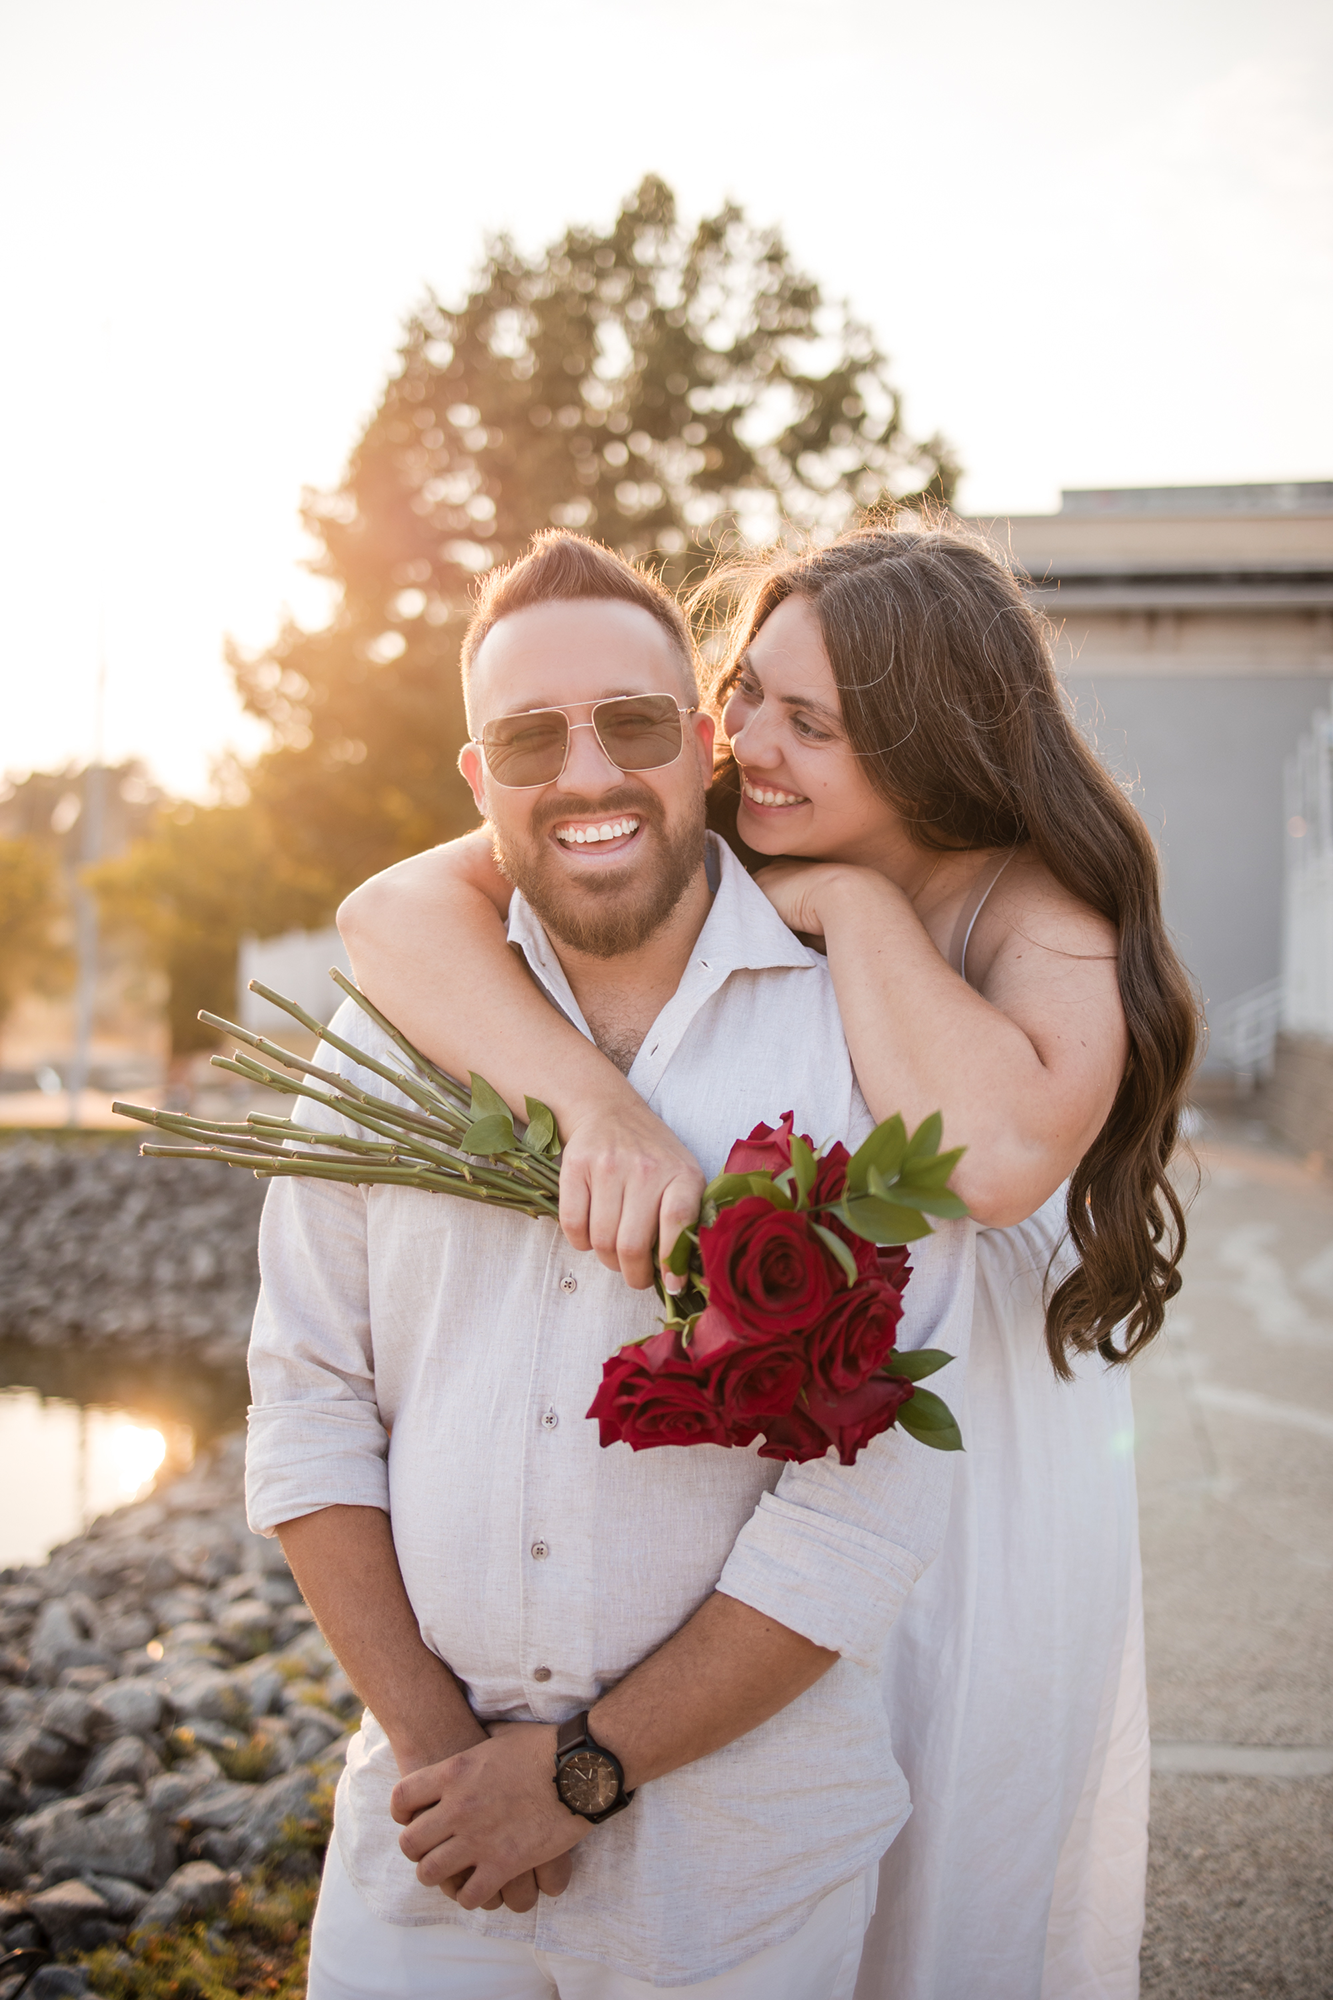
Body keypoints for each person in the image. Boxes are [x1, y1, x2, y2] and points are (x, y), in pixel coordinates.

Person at [339, 521, 1200, 1999]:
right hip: (798, 1478)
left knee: (939, 1897)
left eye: (814, 723)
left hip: (970, 1477)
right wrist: (599, 1105)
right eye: (749, 697)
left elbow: (990, 1165)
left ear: (929, 743)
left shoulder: (1033, 905)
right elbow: (390, 914)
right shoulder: (723, 827)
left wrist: (857, 908)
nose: (750, 745)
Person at [248, 531, 976, 2000]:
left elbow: (872, 1504)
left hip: (746, 1870)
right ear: (478, 782)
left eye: (633, 724)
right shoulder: (380, 1035)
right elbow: (308, 1403)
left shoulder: (864, 1035)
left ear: (705, 745)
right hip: (431, 1849)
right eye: (532, 737)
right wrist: (455, 1763)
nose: (586, 773)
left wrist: (575, 1778)